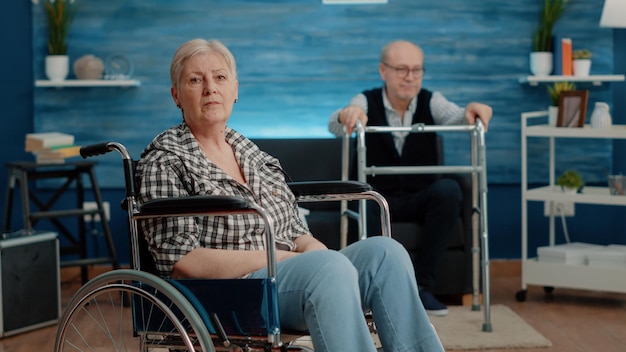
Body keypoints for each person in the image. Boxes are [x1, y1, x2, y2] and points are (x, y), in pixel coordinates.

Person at [136, 38, 444, 352]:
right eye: (195, 80)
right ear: (177, 95)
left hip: (286, 277)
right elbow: (183, 262)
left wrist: (316, 253)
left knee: (385, 254)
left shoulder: (254, 156)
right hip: (230, 293)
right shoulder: (165, 160)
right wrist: (284, 259)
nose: (210, 88)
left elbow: (296, 232)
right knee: (328, 269)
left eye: (220, 77)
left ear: (235, 89)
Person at [328, 40, 492, 317]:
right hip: (378, 197)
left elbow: (457, 117)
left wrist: (472, 110)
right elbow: (336, 123)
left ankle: (421, 288)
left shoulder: (432, 101)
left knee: (449, 190)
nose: (410, 77)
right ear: (383, 71)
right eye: (402, 69)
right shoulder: (365, 100)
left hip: (420, 197)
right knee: (362, 200)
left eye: (417, 70)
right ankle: (371, 293)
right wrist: (347, 115)